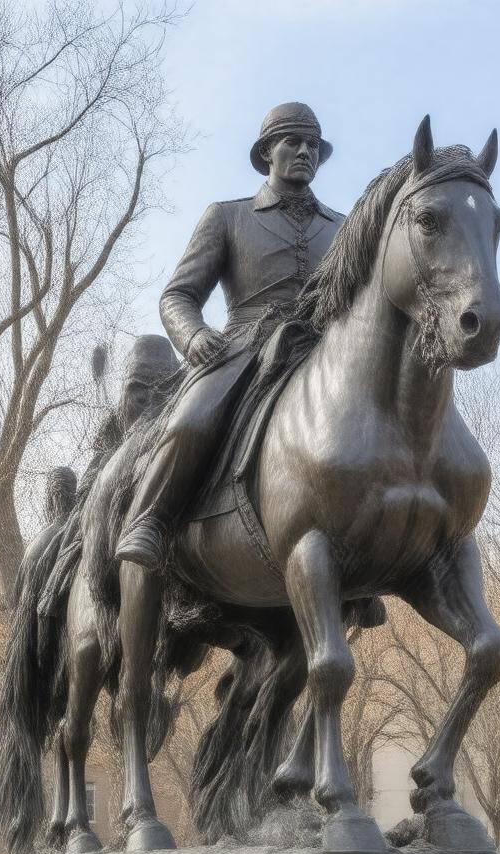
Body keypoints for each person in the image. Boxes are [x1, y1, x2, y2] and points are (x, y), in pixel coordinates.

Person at [115, 102, 343, 572]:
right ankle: (153, 519)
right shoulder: (227, 216)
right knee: (191, 422)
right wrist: (193, 335)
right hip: (243, 346)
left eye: (313, 145)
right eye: (293, 142)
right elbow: (177, 295)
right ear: (267, 153)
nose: (305, 151)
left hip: (325, 349)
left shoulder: (343, 228)